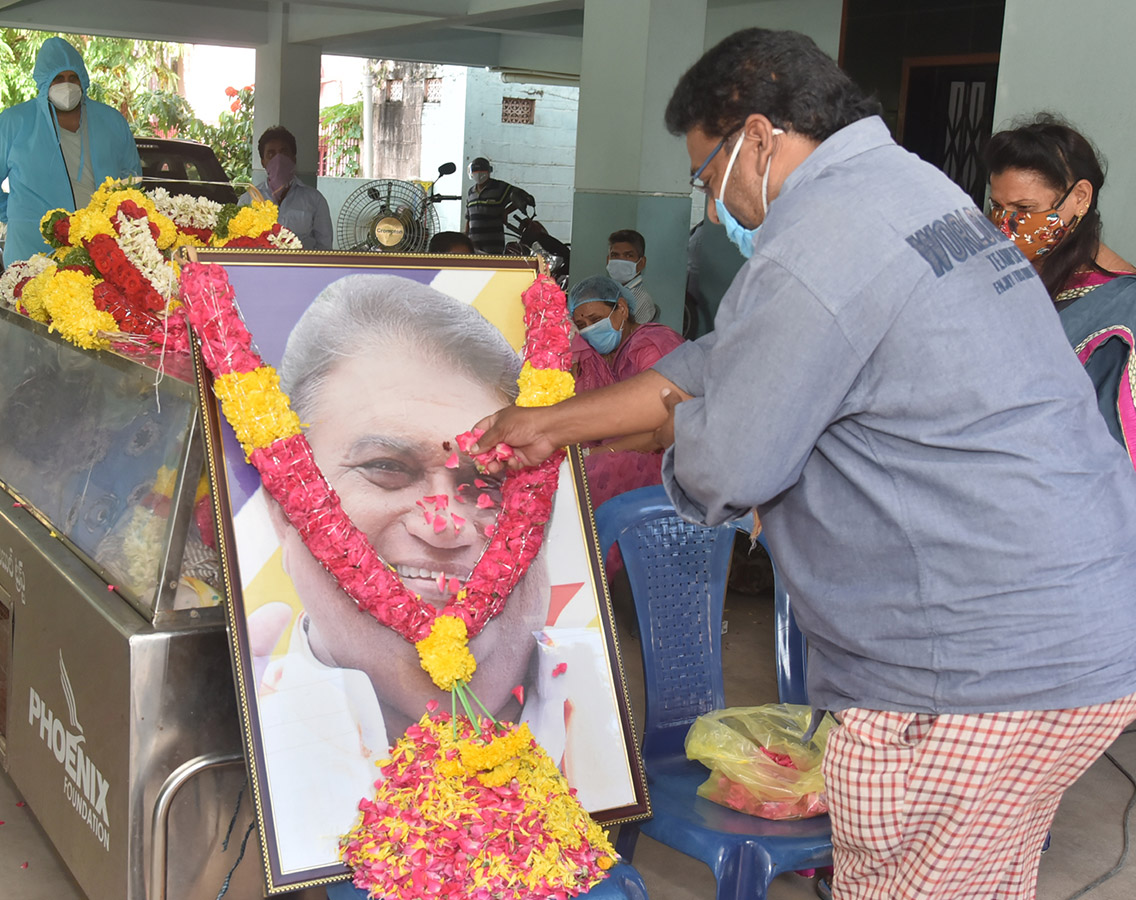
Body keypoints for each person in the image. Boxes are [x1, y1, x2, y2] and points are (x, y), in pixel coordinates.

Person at [471, 28, 1136, 900]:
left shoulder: (817, 240)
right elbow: (719, 367)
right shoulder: (912, 189)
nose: (712, 211)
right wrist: (555, 426)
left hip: (965, 677)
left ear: (759, 137)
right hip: (1079, 636)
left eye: (708, 178)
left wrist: (684, 447)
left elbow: (731, 465)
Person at [241, 274, 631, 872]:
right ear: (281, 505)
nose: (444, 524)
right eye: (385, 468)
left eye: (491, 480)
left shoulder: (600, 711)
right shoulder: (265, 743)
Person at [984, 117, 1136, 464]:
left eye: (1025, 210)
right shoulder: (996, 280)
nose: (1007, 225)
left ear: (1080, 198)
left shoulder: (1122, 312)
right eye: (997, 208)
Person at [0, 37, 141, 265]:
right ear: (43, 80)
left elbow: (132, 179)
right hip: (33, 253)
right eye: (58, 78)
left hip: (100, 253)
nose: (66, 85)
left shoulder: (111, 121)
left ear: (83, 80)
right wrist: (22, 217)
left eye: (73, 77)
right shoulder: (14, 122)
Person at [569, 274, 683, 511]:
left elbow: (663, 430)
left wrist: (600, 452)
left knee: (587, 475)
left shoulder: (650, 348)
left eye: (596, 319)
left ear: (622, 308)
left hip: (668, 457)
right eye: (582, 325)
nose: (590, 330)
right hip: (623, 448)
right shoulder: (600, 356)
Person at [239, 126, 333, 250]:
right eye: (271, 154)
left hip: (302, 268)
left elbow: (324, 248)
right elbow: (238, 243)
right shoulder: (248, 200)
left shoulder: (315, 200)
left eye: (284, 153)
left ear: (293, 158)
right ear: (263, 162)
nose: (278, 160)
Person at [464, 157, 530, 255]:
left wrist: (506, 211)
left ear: (489, 171)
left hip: (493, 246)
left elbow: (523, 197)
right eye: (475, 170)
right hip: (474, 246)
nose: (478, 173)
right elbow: (469, 218)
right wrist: (466, 238)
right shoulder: (471, 192)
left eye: (481, 170)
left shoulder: (500, 187)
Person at [605, 229, 658, 323]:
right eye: (615, 255)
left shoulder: (641, 301)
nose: (621, 261)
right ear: (608, 260)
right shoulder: (605, 291)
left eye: (629, 256)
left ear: (641, 263)